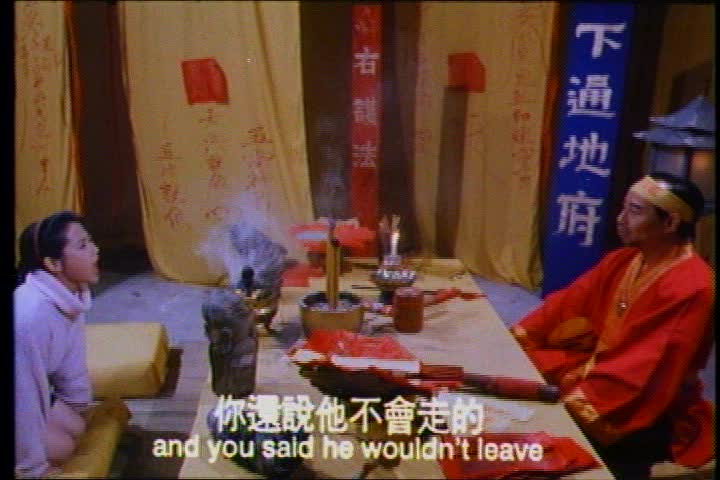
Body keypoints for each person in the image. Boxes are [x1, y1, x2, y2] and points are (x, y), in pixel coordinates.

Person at [511, 172, 714, 479]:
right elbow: (564, 306)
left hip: (645, 400)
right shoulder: (624, 260)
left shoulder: (693, 285)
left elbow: (646, 365)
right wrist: (519, 339)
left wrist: (574, 404)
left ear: (670, 223)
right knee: (517, 369)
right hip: (601, 369)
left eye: (634, 211)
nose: (620, 219)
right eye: (623, 208)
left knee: (548, 439)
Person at [15, 211, 100, 477]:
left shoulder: (70, 295)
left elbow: (71, 366)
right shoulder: (30, 314)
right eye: (83, 245)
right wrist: (34, 468)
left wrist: (78, 409)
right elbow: (23, 393)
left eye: (90, 241)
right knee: (61, 447)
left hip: (30, 391)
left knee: (76, 429)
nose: (95, 250)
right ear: (53, 264)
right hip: (18, 394)